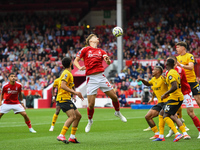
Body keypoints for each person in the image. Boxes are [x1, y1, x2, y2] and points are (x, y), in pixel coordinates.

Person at [74, 34, 127, 133]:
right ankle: (90, 121)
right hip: (91, 79)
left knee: (114, 97)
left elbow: (108, 61)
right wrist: (79, 67)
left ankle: (118, 112)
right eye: (95, 37)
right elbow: (75, 61)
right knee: (90, 105)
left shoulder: (101, 51)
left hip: (101, 77)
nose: (97, 38)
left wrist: (108, 60)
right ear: (90, 40)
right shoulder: (85, 49)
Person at [166, 56, 200, 139]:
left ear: (175, 63)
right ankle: (176, 130)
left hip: (185, 93)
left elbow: (175, 83)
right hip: (176, 94)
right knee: (170, 113)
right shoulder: (167, 72)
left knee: (190, 113)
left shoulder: (179, 70)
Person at [161, 58, 190, 142]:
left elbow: (174, 86)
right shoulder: (175, 72)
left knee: (165, 115)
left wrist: (165, 93)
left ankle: (177, 134)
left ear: (167, 64)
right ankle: (185, 133)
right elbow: (172, 84)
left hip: (174, 98)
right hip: (177, 97)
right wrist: (164, 79)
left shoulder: (170, 73)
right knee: (172, 116)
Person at [56, 57, 84, 144]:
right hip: (63, 98)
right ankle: (61, 135)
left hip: (67, 98)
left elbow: (69, 85)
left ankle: (72, 137)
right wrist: (75, 92)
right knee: (72, 117)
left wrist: (74, 95)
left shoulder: (68, 73)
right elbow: (63, 86)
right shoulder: (66, 74)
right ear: (71, 64)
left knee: (78, 116)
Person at [138, 66, 168, 140]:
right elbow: (148, 84)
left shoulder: (163, 78)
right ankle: (157, 134)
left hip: (168, 102)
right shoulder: (153, 79)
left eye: (154, 70)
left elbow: (170, 85)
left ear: (158, 72)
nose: (152, 71)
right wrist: (142, 80)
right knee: (147, 117)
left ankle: (182, 132)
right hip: (160, 103)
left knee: (172, 118)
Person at [176, 41, 200, 107]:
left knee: (198, 100)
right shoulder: (177, 58)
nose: (176, 49)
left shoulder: (189, 56)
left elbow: (191, 67)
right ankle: (179, 117)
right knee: (178, 101)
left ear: (183, 48)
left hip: (192, 81)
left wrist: (180, 64)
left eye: (178, 47)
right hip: (182, 82)